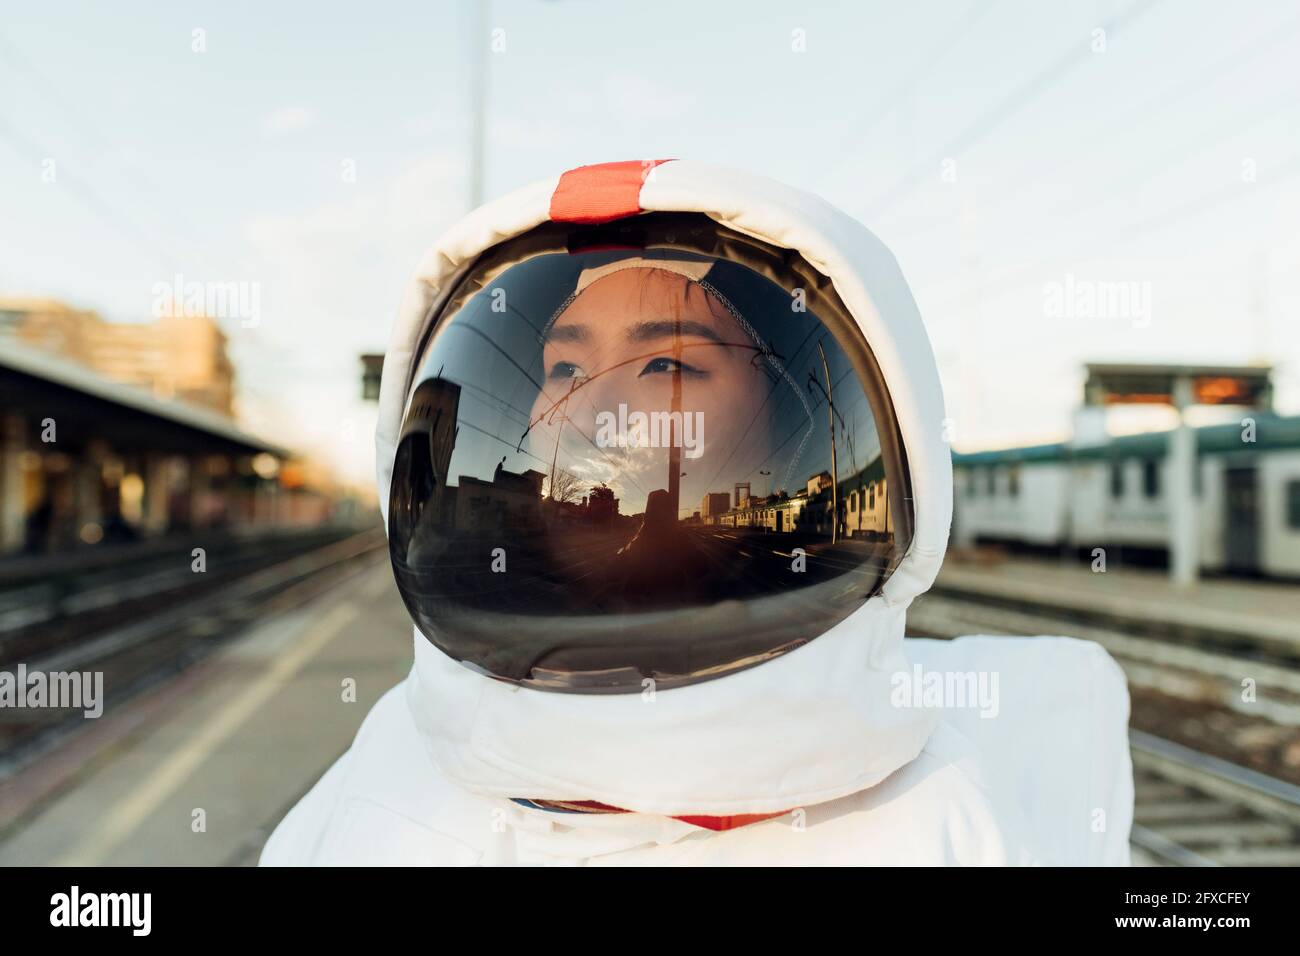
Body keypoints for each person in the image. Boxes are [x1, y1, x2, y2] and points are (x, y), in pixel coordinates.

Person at [261, 160, 1132, 865]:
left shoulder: (938, 825)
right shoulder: (383, 783)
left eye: (666, 369)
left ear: (789, 417)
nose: (589, 413)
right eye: (562, 371)